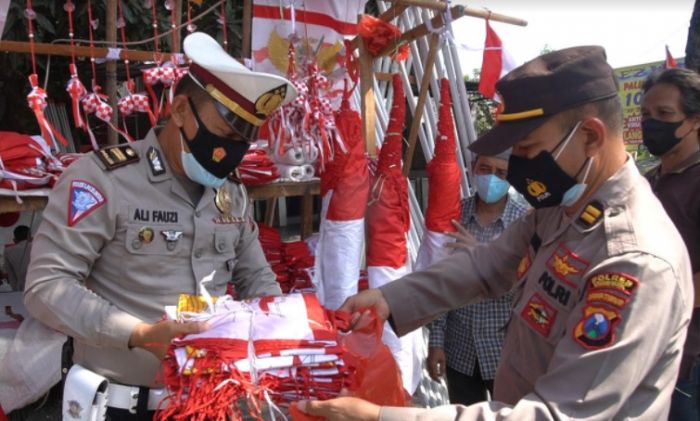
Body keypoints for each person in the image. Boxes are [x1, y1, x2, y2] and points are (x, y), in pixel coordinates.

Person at [296, 46, 694, 420]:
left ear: (589, 137)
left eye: (526, 147)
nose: (516, 165)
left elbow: (556, 414)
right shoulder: (560, 210)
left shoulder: (633, 260)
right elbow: (486, 265)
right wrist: (390, 298)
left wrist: (383, 416)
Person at [22, 32, 295, 420]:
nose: (231, 153)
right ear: (181, 110)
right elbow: (46, 287)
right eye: (224, 134)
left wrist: (285, 328)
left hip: (209, 402)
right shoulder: (104, 180)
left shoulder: (231, 193)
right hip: (117, 405)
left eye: (242, 141)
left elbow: (258, 280)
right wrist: (139, 334)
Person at [427, 151, 527, 405]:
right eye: (485, 169)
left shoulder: (525, 221)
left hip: (505, 352)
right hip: (459, 349)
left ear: (511, 176)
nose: (492, 178)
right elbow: (441, 281)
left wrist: (482, 257)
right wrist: (436, 342)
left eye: (501, 173)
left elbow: (528, 286)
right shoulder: (454, 216)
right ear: (473, 168)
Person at [641, 67, 700, 421]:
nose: (651, 124)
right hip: (647, 348)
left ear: (694, 121)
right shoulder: (648, 182)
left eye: (664, 115)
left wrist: (654, 304)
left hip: (688, 357)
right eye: (646, 114)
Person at [4, 224, 31, 291]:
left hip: (22, 288)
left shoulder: (8, 251)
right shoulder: (38, 245)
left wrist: (16, 290)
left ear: (15, 239)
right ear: (30, 236)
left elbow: (11, 276)